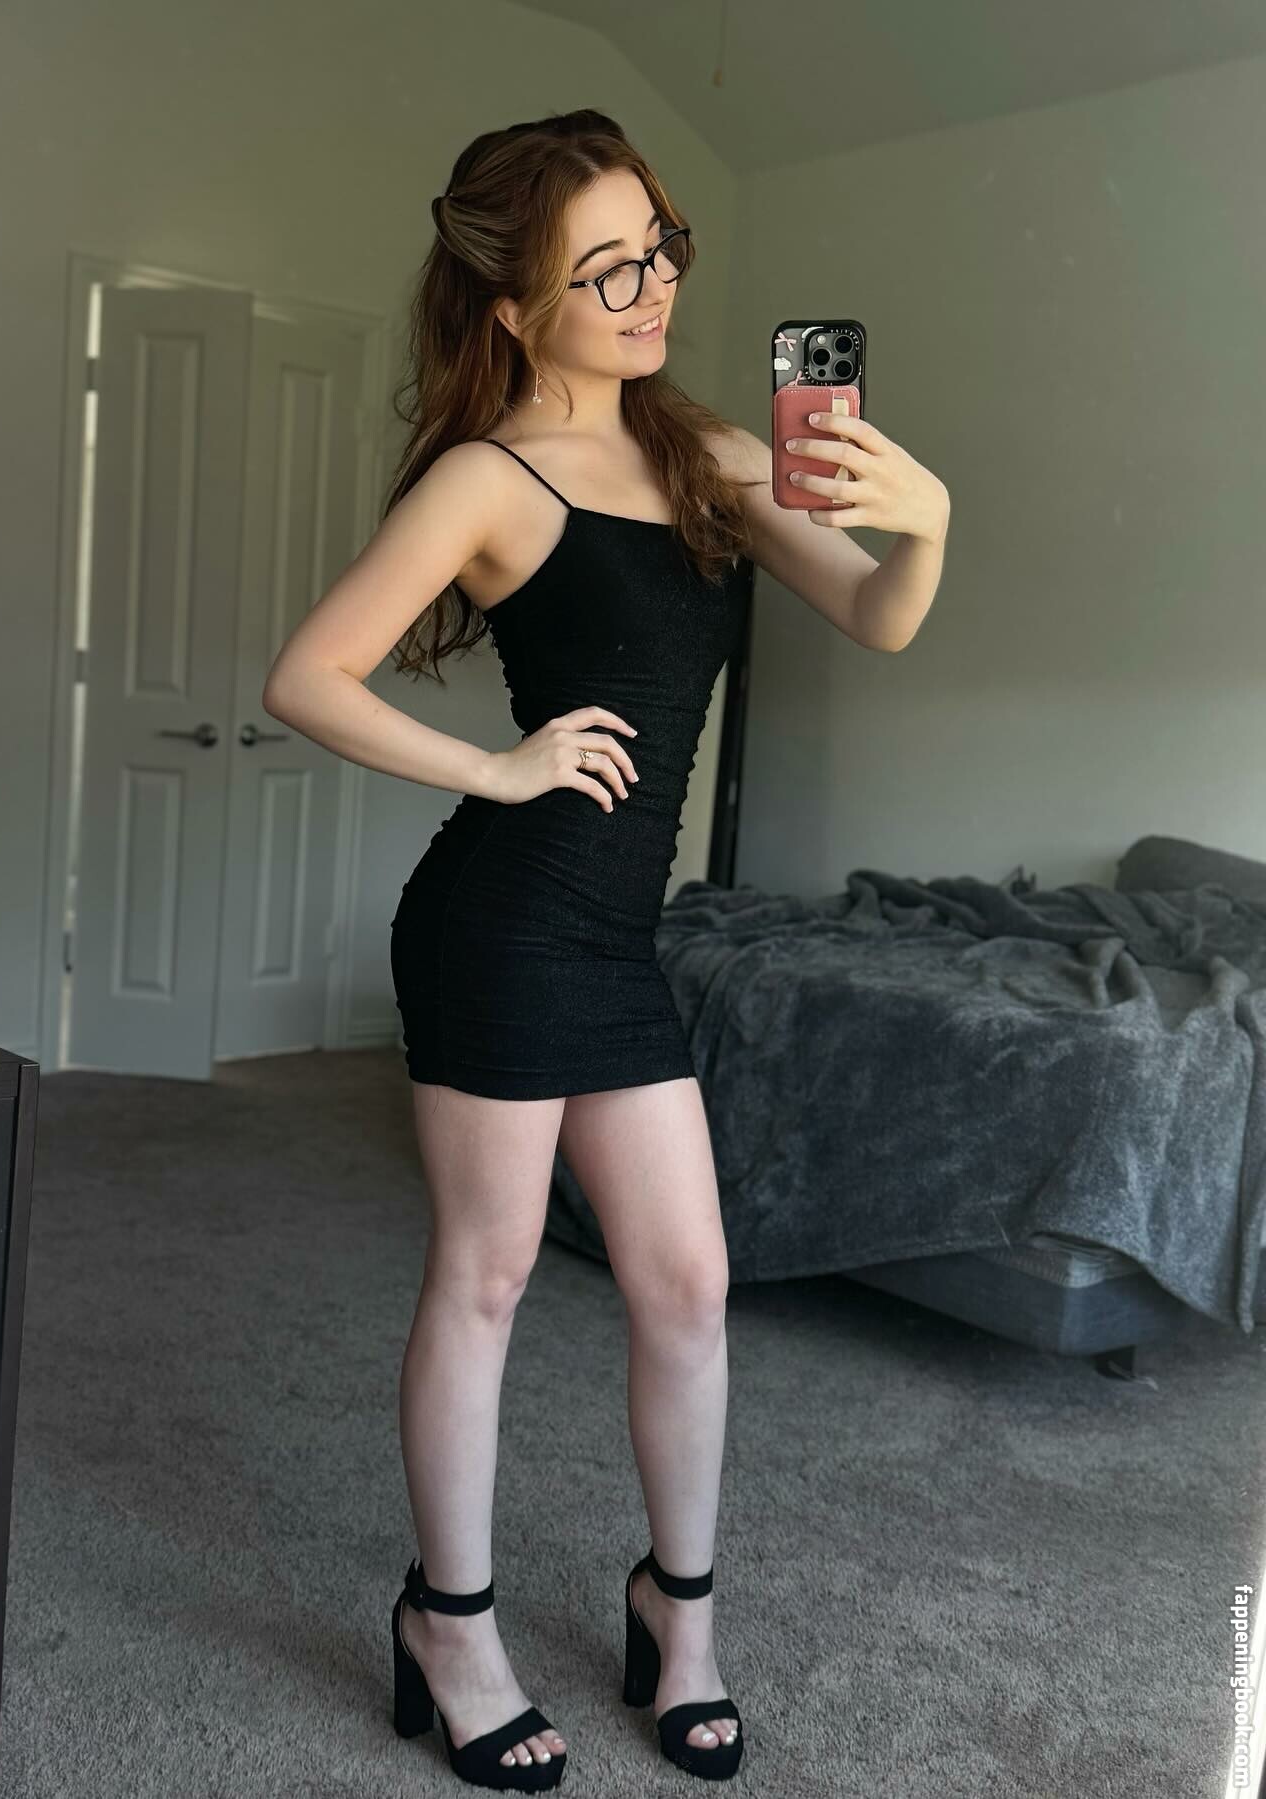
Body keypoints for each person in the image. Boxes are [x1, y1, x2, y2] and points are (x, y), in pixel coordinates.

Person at [262, 105, 867, 1791]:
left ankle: (681, 1615)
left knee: (688, 1284)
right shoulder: (489, 476)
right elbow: (306, 677)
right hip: (500, 927)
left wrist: (930, 514)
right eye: (604, 269)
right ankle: (449, 1628)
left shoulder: (706, 453)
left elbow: (880, 609)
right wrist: (496, 766)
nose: (650, 287)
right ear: (515, 307)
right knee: (489, 1274)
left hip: (616, 939)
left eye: (658, 248)